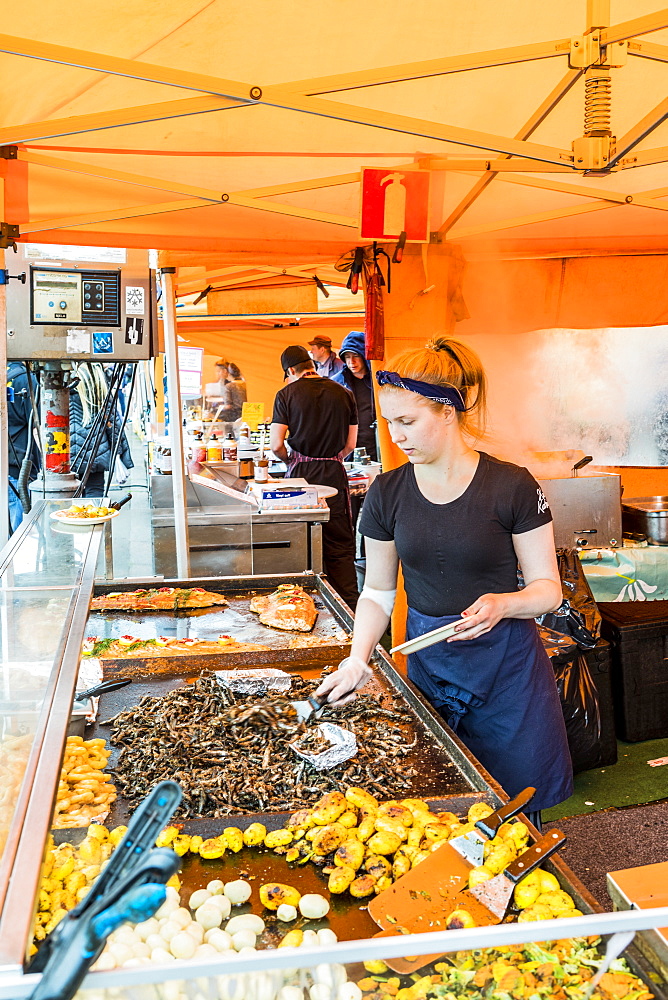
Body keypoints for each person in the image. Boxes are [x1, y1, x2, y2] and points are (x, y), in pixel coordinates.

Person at [316, 337, 573, 826]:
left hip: (508, 670)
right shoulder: (387, 492)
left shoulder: (512, 485)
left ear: (449, 411)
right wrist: (357, 659)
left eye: (407, 422)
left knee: (517, 810)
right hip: (431, 663)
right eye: (388, 422)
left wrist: (503, 603)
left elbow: (547, 589)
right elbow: (377, 592)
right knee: (445, 804)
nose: (396, 436)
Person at [270, 345, 359, 608]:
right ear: (311, 365)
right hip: (334, 472)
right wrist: (331, 458)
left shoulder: (285, 394)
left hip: (300, 476)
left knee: (302, 539)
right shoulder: (345, 393)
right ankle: (350, 611)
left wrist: (291, 460)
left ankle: (306, 606)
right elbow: (351, 444)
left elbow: (276, 445)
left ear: (290, 371)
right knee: (340, 544)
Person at [70, 363, 134, 497]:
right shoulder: (100, 393)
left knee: (70, 494)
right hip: (96, 453)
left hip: (69, 455)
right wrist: (119, 454)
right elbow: (113, 426)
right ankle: (95, 517)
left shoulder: (63, 394)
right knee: (95, 491)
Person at [332, 331, 378, 461]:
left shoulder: (377, 381)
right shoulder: (336, 383)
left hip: (377, 446)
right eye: (347, 357)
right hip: (347, 449)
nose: (351, 361)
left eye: (355, 355)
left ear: (364, 356)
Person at [7, 361, 40, 531]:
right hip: (19, 468)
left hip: (7, 465)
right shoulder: (25, 379)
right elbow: (37, 427)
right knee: (21, 532)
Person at [208, 359, 247, 423]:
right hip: (243, 416)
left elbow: (228, 406)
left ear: (225, 371)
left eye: (218, 371)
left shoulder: (229, 385)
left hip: (232, 417)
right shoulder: (243, 384)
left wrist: (216, 410)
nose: (218, 374)